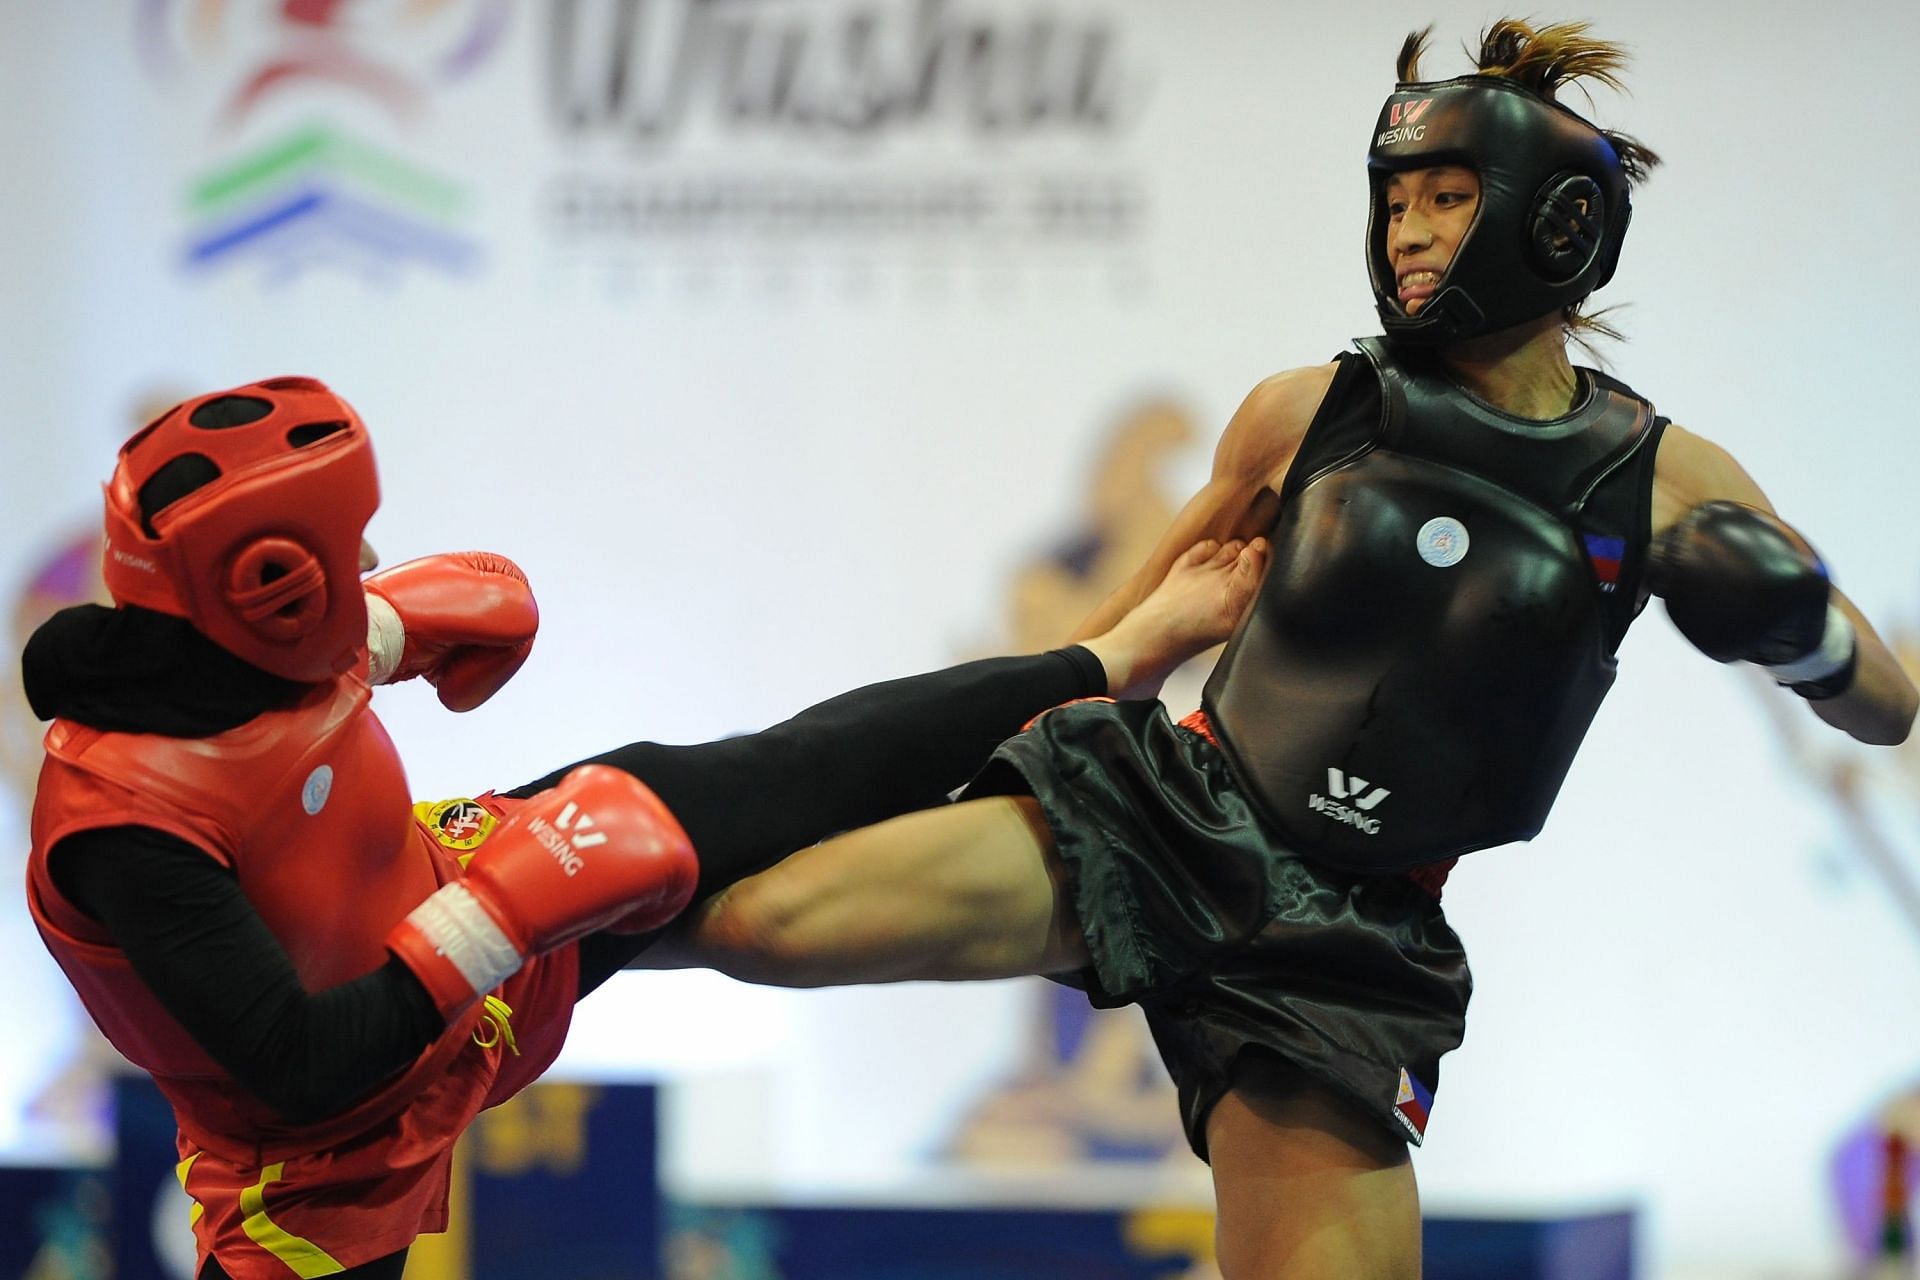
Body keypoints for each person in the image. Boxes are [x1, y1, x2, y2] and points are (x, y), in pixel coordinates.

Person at [640, 19, 1920, 1279]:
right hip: (1165, 808)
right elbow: (1110, 646)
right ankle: (489, 939)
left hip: (1350, 942)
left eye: (1448, 197)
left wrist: (1803, 633)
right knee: (765, 923)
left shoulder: (1665, 479)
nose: (1408, 234)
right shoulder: (1306, 413)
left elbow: (1888, 703)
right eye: (1396, 200)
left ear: (1556, 221)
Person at [21, 376, 1266, 1280]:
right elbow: (296, 1065)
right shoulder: (123, 825)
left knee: (781, 770)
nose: (374, 567)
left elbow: (333, 656)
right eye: (350, 554)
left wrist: (408, 632)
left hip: (433, 898)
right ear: (272, 584)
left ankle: (1110, 656)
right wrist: (504, 905)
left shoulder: (261, 634)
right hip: (314, 1157)